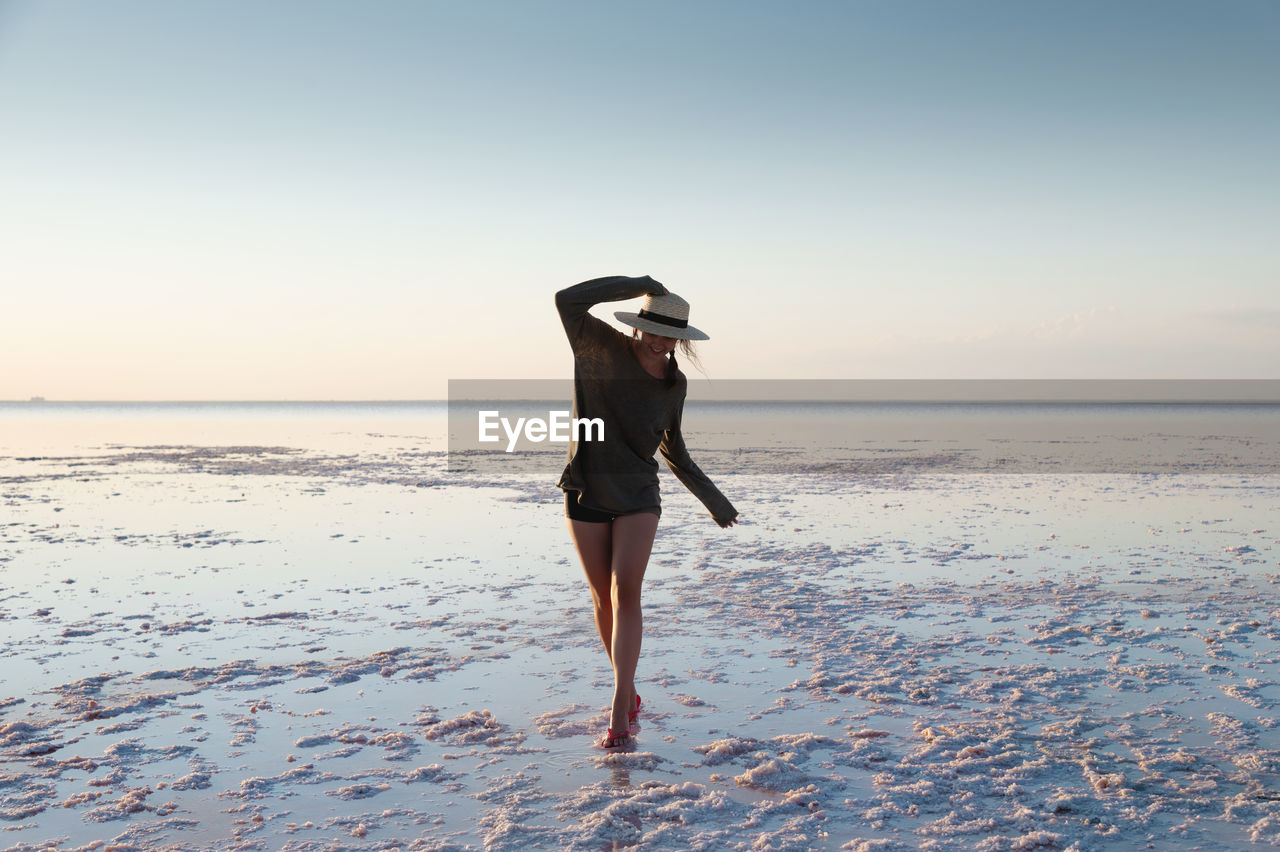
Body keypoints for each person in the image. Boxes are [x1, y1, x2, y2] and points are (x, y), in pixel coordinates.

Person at [555, 274, 739, 749]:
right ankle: (630, 692)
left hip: (638, 494)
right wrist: (637, 282)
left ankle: (619, 712)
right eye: (653, 330)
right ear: (639, 326)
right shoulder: (598, 347)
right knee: (601, 598)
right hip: (586, 487)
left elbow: (673, 448)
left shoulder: (673, 387)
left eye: (671, 335)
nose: (661, 342)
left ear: (681, 339)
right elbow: (567, 299)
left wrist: (714, 501)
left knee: (625, 592)